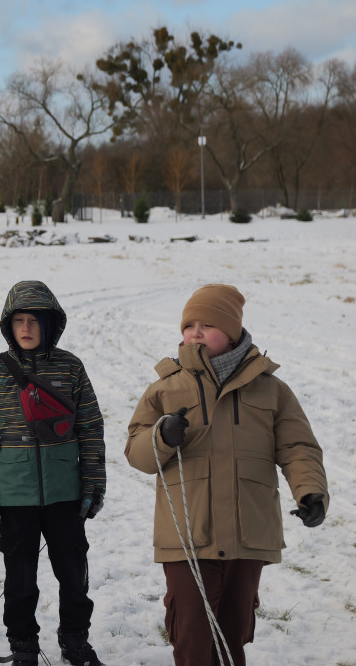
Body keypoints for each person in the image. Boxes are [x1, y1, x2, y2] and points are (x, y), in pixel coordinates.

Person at [125, 284, 329, 666]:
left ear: (233, 333)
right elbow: (138, 453)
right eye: (190, 325)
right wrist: (162, 437)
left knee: (233, 632)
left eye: (208, 325)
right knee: (191, 633)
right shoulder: (165, 389)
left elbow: (298, 447)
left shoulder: (271, 390)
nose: (196, 333)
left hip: (247, 532)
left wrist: (310, 491)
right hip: (187, 535)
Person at [0, 281, 106, 666]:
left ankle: (75, 639)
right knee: (20, 578)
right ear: (8, 326)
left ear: (50, 324)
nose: (26, 328)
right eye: (19, 321)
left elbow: (91, 427)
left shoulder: (71, 366)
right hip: (14, 493)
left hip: (66, 491)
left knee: (73, 573)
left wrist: (93, 483)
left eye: (34, 321)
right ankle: (23, 645)